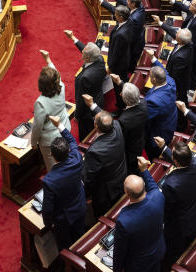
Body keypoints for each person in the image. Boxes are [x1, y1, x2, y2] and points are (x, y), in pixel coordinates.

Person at [41, 115, 87, 253]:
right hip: (80, 206)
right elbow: (72, 140)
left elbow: (48, 210)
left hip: (64, 219)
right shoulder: (77, 158)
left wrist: (48, 224)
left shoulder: (49, 181)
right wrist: (59, 125)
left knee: (64, 247)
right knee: (80, 238)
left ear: (52, 155)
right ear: (68, 151)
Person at [112, 156, 166, 272]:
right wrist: (144, 170)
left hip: (139, 265)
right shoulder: (158, 197)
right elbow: (152, 186)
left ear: (126, 193)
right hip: (157, 252)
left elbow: (119, 251)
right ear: (144, 188)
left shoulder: (124, 220)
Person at [158, 141, 196, 269]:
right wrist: (164, 148)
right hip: (195, 212)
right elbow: (183, 163)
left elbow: (166, 211)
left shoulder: (170, 184)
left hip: (179, 226)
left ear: (176, 162)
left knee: (173, 252)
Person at [30, 50, 70, 170]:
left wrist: (33, 143)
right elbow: (56, 74)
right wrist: (48, 59)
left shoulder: (41, 103)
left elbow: (37, 126)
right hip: (64, 129)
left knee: (54, 169)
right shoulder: (61, 86)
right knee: (65, 161)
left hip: (50, 141)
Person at [83, 111, 128, 217]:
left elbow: (88, 178)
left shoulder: (94, 152)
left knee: (101, 213)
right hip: (121, 175)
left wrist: (86, 195)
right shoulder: (116, 125)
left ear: (95, 126)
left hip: (106, 191)